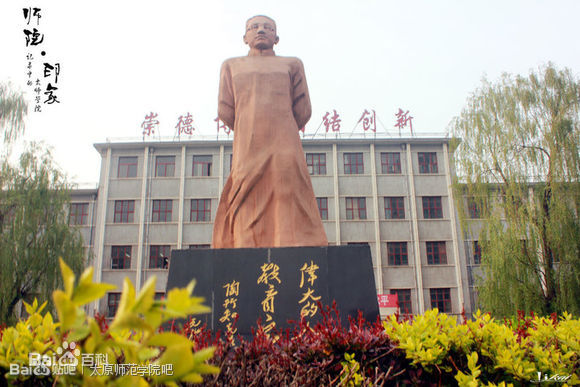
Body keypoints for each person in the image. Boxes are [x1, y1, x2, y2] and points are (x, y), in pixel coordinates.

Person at [212, 15, 328, 248]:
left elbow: (303, 109)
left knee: (287, 187)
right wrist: (250, 126)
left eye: (268, 27)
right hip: (248, 143)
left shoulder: (292, 64)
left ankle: (289, 244)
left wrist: (280, 125)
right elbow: (225, 109)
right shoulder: (231, 66)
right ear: (245, 37)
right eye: (254, 27)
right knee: (245, 190)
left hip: (284, 142)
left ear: (277, 37)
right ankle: (245, 245)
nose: (261, 30)